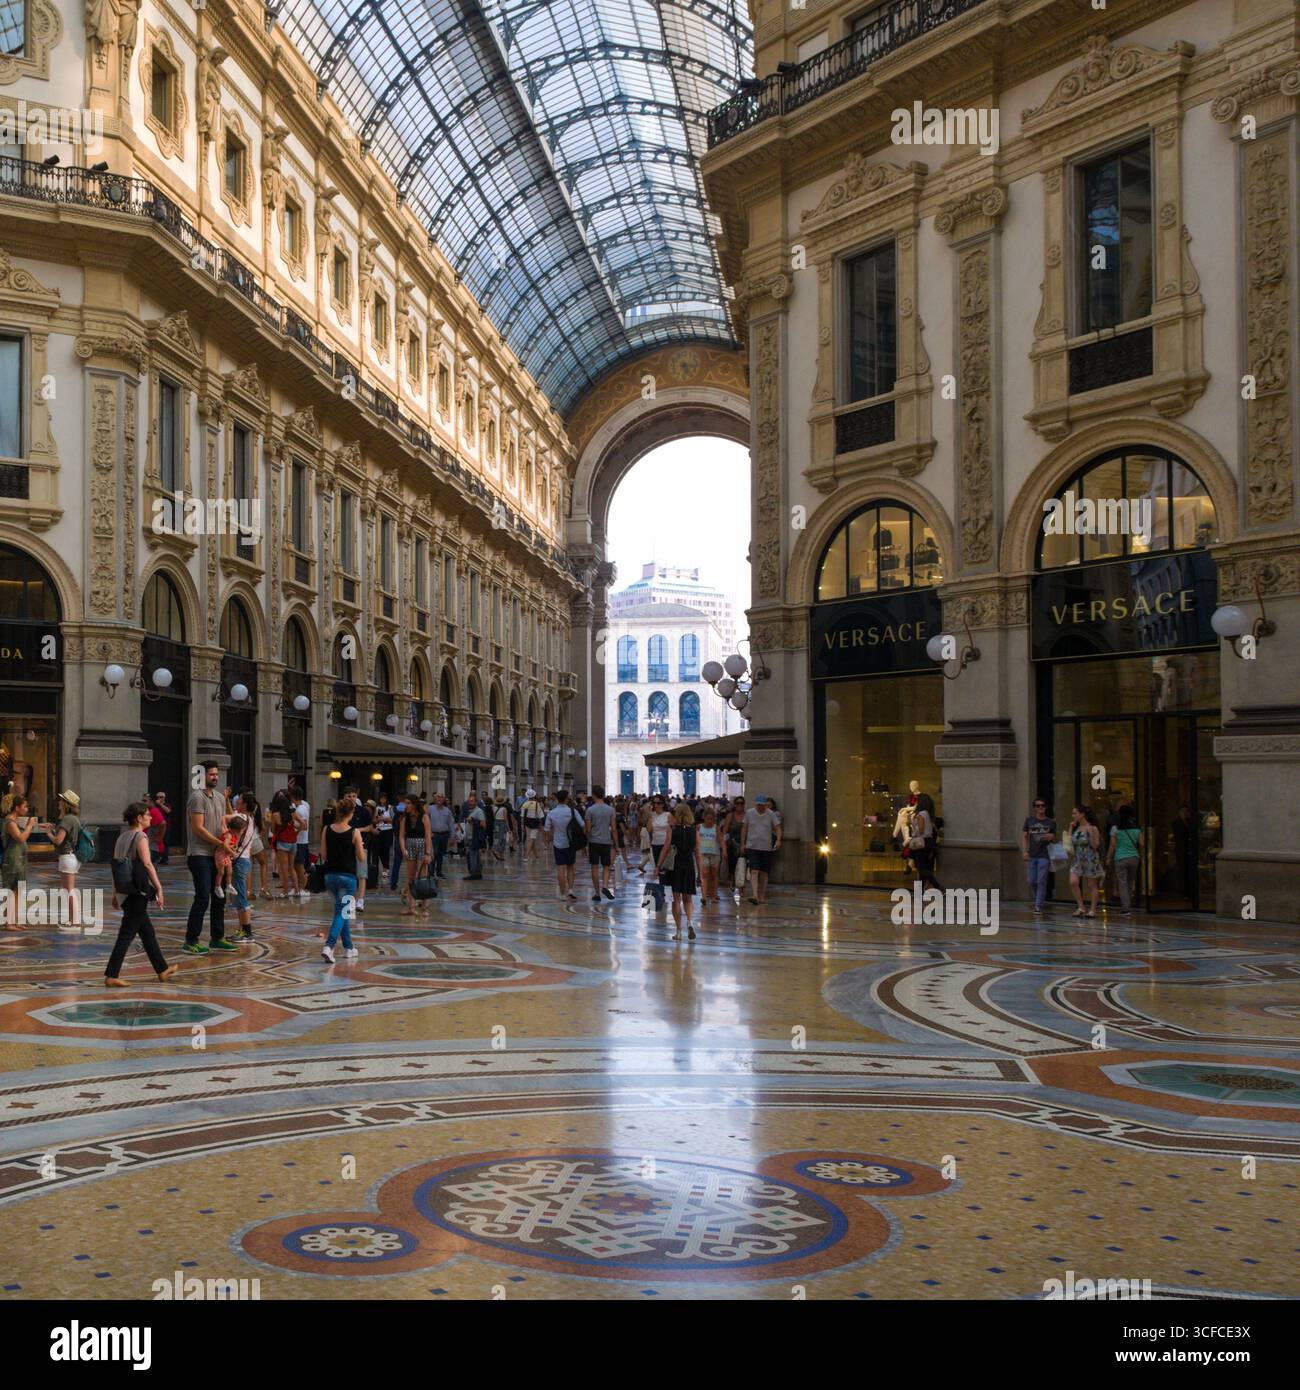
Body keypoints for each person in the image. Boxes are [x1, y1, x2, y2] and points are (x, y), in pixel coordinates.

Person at [106, 801, 177, 986]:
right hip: (137, 891)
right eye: (147, 815)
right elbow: (147, 864)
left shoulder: (121, 837)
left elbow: (116, 867)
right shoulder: (140, 837)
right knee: (127, 933)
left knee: (147, 933)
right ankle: (112, 975)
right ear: (139, 818)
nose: (151, 817)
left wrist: (115, 893)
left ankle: (162, 969)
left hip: (125, 891)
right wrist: (159, 888)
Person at [183, 763, 237, 954]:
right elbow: (198, 827)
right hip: (199, 854)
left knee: (219, 895)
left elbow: (222, 824)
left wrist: (228, 841)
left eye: (216, 774)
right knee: (203, 897)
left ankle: (217, 937)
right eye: (211, 774)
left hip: (217, 853)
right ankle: (191, 940)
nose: (215, 777)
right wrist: (219, 843)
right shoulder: (197, 797)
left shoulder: (221, 798)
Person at [320, 795, 365, 964]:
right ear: (351, 813)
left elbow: (323, 855)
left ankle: (349, 948)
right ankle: (329, 946)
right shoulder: (355, 832)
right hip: (348, 878)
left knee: (343, 911)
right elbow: (361, 858)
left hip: (330, 876)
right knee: (342, 912)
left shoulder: (327, 829)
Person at [659, 802, 702, 941]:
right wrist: (700, 872)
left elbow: (666, 848)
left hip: (675, 866)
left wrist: (658, 865)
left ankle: (678, 931)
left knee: (676, 899)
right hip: (689, 865)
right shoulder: (695, 831)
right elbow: (698, 853)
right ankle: (690, 922)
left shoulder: (672, 829)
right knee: (688, 899)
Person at [45, 790, 85, 927]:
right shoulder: (74, 819)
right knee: (68, 889)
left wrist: (49, 833)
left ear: (66, 804)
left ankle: (75, 920)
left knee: (69, 890)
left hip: (67, 857)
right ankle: (72, 919)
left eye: (61, 801)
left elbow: (58, 840)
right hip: (72, 857)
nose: (58, 802)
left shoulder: (67, 819)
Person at [1, 794, 37, 929]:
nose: (26, 809)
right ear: (16, 808)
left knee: (17, 890)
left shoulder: (14, 821)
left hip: (19, 860)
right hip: (12, 861)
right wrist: (29, 826)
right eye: (24, 806)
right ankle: (8, 922)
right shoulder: (9, 822)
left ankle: (13, 920)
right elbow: (20, 838)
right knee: (11, 891)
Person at [740, 794, 782, 905]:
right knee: (754, 870)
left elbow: (778, 828)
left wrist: (778, 840)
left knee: (764, 873)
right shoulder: (749, 813)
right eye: (758, 805)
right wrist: (743, 843)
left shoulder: (771, 814)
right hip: (752, 846)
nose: (760, 807)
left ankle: (762, 895)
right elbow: (744, 828)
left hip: (766, 848)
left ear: (766, 805)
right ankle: (755, 895)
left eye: (762, 805)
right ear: (755, 804)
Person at [1020, 798, 1058, 916]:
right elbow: (1025, 836)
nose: (1040, 808)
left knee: (1041, 880)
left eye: (1042, 805)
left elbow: (1056, 839)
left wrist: (1051, 836)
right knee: (1031, 880)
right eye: (1038, 806)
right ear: (1034, 808)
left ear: (1046, 807)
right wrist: (1025, 851)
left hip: (1044, 855)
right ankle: (1038, 899)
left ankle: (1038, 906)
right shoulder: (1029, 820)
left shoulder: (1050, 822)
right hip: (1032, 854)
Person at [1107, 802, 1144, 918]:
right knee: (1130, 882)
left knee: (1122, 883)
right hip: (1134, 858)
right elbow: (1142, 843)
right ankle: (1129, 903)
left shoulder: (1115, 828)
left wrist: (1108, 857)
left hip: (1120, 858)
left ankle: (1126, 908)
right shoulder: (1136, 829)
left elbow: (1113, 845)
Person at [544, 788, 580, 900]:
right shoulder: (573, 811)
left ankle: (562, 894)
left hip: (558, 843)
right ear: (566, 799)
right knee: (570, 867)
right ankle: (571, 890)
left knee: (560, 868)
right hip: (571, 843)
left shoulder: (552, 813)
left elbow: (546, 830)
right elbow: (582, 825)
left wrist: (549, 839)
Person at [399, 794, 432, 917]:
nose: (406, 806)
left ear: (414, 804)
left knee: (423, 877)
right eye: (405, 803)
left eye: (408, 803)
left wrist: (428, 853)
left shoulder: (424, 817)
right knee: (410, 878)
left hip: (422, 845)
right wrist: (403, 849)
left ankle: (425, 907)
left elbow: (428, 836)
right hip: (410, 845)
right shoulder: (404, 819)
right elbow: (402, 836)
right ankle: (411, 907)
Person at [1068, 804, 1103, 918]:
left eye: (1075, 813)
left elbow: (1095, 845)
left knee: (1091, 885)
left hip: (1090, 858)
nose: (1073, 816)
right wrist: (1070, 828)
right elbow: (1069, 842)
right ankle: (1081, 907)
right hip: (1078, 859)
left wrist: (1092, 834)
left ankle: (1092, 910)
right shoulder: (1076, 828)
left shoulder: (1092, 828)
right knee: (1073, 881)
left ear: (1082, 814)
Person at [584, 785, 618, 902]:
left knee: (594, 867)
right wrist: (616, 844)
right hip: (606, 841)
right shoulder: (610, 810)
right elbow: (613, 828)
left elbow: (588, 830)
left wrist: (587, 840)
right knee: (606, 866)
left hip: (594, 842)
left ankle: (597, 893)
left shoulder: (590, 810)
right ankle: (605, 886)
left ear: (593, 795)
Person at [344, 787, 371, 912]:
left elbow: (370, 826)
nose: (351, 798)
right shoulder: (341, 811)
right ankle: (350, 900)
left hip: (361, 845)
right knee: (348, 873)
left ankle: (361, 900)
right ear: (345, 797)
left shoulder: (363, 811)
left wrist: (358, 831)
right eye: (349, 796)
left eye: (353, 796)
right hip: (346, 846)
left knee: (361, 873)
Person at [642, 795, 671, 911]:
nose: (656, 805)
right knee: (658, 869)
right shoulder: (652, 816)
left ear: (663, 804)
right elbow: (649, 830)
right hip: (655, 844)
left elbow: (674, 828)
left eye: (658, 803)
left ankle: (668, 894)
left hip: (666, 844)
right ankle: (662, 892)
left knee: (665, 869)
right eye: (654, 803)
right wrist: (649, 817)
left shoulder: (668, 815)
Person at [909, 793, 942, 891]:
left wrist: (912, 823)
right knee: (924, 868)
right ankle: (919, 892)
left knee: (922, 869)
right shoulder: (928, 814)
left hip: (920, 843)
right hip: (928, 842)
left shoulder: (921, 814)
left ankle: (938, 886)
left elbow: (921, 830)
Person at [270, 788, 297, 899]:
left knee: (283, 868)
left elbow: (272, 829)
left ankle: (285, 892)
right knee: (292, 867)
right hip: (293, 842)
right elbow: (300, 825)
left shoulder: (276, 814)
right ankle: (297, 890)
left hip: (283, 842)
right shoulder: (292, 812)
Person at [212, 814, 243, 901]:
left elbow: (229, 845)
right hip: (221, 854)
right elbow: (225, 845)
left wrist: (233, 848)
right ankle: (217, 887)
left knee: (229, 871)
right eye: (242, 830)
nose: (242, 832)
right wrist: (232, 852)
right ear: (237, 829)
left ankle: (228, 885)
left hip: (226, 855)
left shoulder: (234, 835)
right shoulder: (228, 835)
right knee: (221, 872)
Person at [696, 805, 722, 904]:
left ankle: (713, 895)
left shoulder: (716, 828)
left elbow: (720, 839)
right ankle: (704, 896)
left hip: (715, 853)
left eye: (711, 819)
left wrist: (724, 850)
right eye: (708, 819)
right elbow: (696, 840)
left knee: (714, 874)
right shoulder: (699, 827)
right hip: (703, 853)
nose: (709, 821)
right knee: (705, 874)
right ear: (704, 818)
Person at [427, 792, 454, 879]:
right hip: (434, 835)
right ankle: (430, 872)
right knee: (434, 853)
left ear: (444, 799)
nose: (439, 798)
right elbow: (426, 821)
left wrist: (452, 836)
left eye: (442, 797)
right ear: (435, 798)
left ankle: (439, 871)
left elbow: (451, 824)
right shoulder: (430, 809)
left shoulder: (447, 811)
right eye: (438, 797)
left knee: (441, 854)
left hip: (444, 835)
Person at [291, 790, 312, 898]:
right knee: (296, 865)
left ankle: (303, 888)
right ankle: (297, 888)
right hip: (300, 841)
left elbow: (304, 826)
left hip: (300, 841)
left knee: (299, 865)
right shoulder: (303, 807)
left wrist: (295, 832)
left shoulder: (300, 810)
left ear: (293, 798)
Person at [722, 796, 746, 890]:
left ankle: (741, 886)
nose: (739, 805)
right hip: (732, 844)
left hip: (744, 844)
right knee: (732, 863)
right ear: (735, 805)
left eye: (741, 803)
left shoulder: (747, 815)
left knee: (743, 864)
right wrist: (723, 844)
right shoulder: (730, 816)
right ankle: (732, 880)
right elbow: (725, 830)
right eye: (737, 803)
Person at [462, 792, 487, 880]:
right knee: (475, 855)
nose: (470, 803)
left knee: (472, 854)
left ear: (476, 802)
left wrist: (473, 820)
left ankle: (473, 873)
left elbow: (483, 825)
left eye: (472, 801)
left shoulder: (478, 811)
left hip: (474, 837)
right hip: (470, 837)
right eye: (469, 802)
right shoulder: (471, 811)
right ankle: (477, 872)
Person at [374, 792, 394, 883]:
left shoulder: (389, 808)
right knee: (379, 850)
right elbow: (374, 819)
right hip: (379, 830)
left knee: (386, 850)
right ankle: (383, 866)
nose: (383, 800)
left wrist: (384, 819)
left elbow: (393, 820)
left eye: (384, 798)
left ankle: (386, 868)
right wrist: (378, 819)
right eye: (381, 798)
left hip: (388, 830)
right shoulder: (377, 808)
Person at [521, 789, 545, 861]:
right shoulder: (537, 804)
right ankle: (526, 856)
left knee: (530, 839)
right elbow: (540, 816)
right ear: (534, 796)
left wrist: (522, 825)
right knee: (531, 839)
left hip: (527, 823)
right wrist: (541, 826)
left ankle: (536, 855)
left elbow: (522, 816)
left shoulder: (525, 804)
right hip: (535, 824)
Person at [148, 793, 168, 865]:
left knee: (165, 842)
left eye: (161, 797)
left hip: (163, 828)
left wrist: (160, 804)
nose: (160, 798)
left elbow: (168, 811)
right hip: (156, 828)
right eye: (158, 797)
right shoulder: (153, 809)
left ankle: (165, 859)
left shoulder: (156, 809)